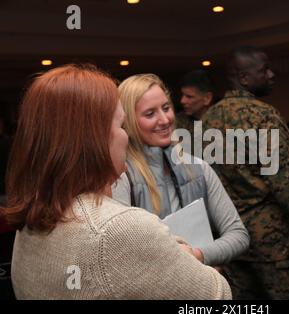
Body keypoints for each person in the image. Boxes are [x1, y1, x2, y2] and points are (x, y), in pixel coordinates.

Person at [0, 65, 232, 299]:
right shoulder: (118, 228)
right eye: (121, 126)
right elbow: (217, 295)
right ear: (94, 140)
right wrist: (181, 253)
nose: (126, 136)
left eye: (166, 108)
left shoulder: (32, 221)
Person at [202, 46, 289, 299]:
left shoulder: (209, 118)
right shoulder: (265, 117)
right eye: (264, 70)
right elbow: (287, 187)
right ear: (244, 78)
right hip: (274, 243)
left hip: (230, 240)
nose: (272, 74)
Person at [112, 73, 249, 267]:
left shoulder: (199, 168)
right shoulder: (122, 177)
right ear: (130, 121)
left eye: (166, 108)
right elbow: (118, 253)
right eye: (150, 114)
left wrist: (199, 255)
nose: (165, 119)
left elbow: (239, 235)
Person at [177, 69, 215, 136]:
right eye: (182, 95)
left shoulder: (221, 121)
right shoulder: (177, 122)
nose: (182, 101)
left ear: (207, 98)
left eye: (189, 97)